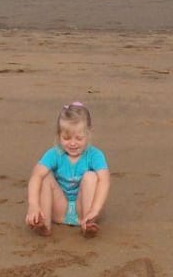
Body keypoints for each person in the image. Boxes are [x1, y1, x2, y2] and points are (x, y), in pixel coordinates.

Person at [26, 102, 110, 238]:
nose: (72, 143)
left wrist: (96, 208)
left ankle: (88, 223)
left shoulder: (95, 155)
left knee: (91, 177)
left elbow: (105, 180)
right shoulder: (54, 153)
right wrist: (33, 205)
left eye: (79, 138)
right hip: (59, 209)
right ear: (59, 135)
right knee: (45, 176)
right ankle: (43, 223)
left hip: (83, 209)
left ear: (89, 134)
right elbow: (36, 175)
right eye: (66, 138)